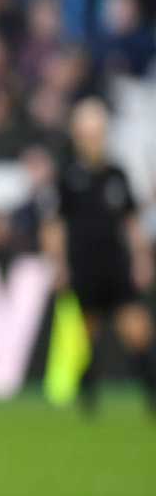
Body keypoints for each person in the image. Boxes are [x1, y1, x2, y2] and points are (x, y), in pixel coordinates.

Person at [42, 97, 155, 413]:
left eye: (98, 132)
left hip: (115, 264)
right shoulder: (68, 176)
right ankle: (87, 398)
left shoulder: (116, 174)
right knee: (87, 332)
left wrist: (142, 258)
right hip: (83, 265)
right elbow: (55, 225)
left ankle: (150, 393)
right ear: (78, 135)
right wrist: (59, 263)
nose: (94, 139)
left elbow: (131, 221)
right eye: (89, 133)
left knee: (137, 330)